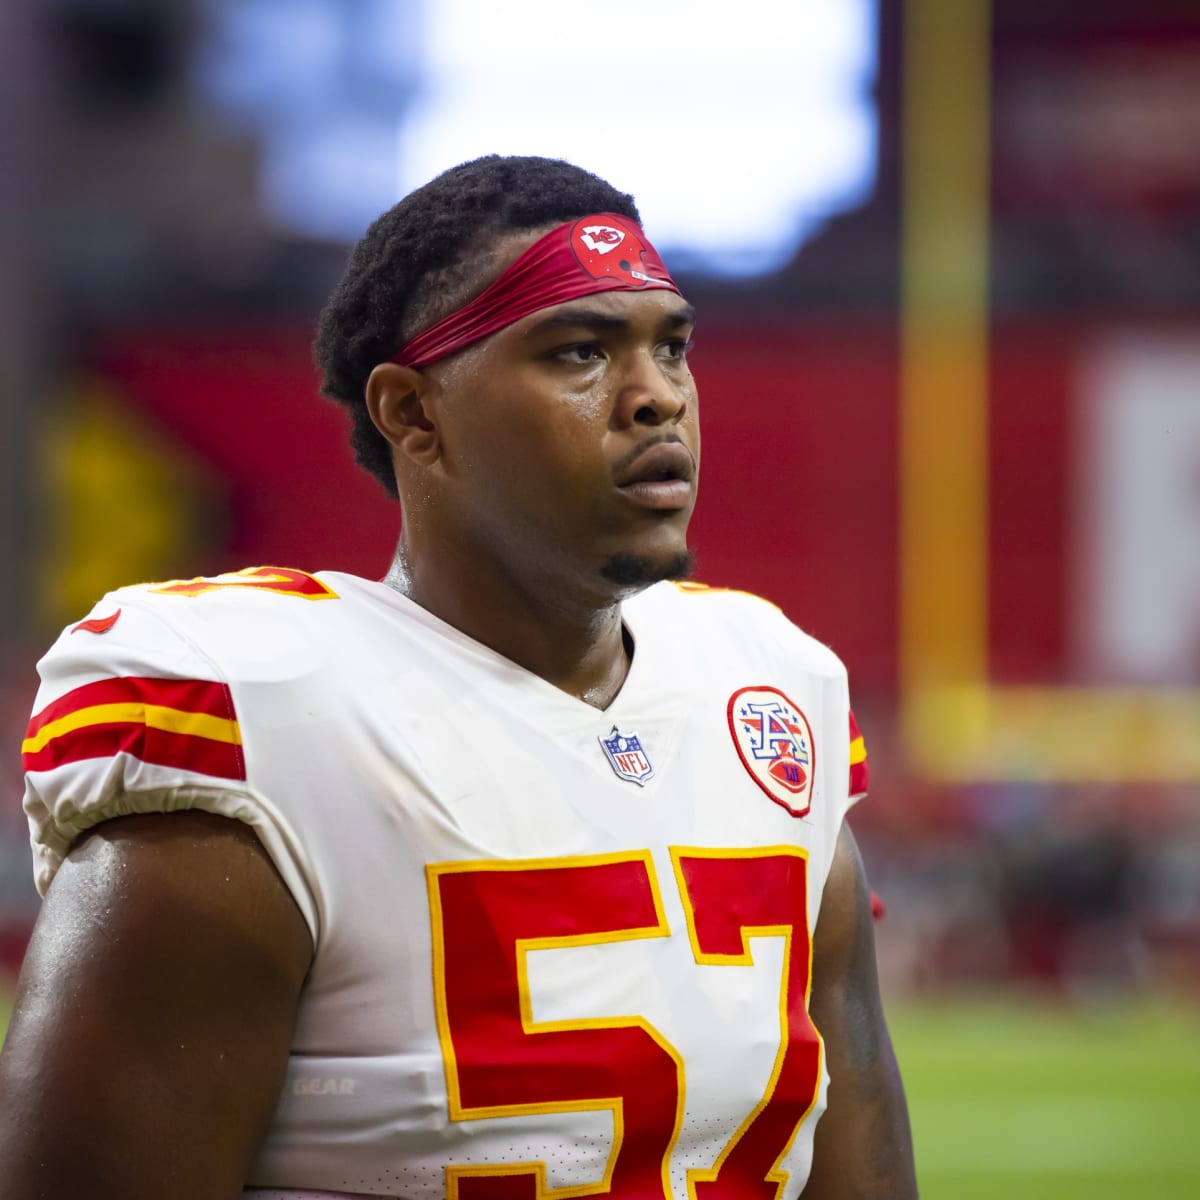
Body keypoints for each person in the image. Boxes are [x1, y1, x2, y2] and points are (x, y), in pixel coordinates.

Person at [0, 155, 916, 1199]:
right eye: (579, 352)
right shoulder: (258, 711)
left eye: (673, 345)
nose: (657, 396)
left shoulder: (767, 690)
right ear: (413, 413)